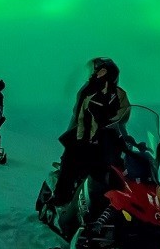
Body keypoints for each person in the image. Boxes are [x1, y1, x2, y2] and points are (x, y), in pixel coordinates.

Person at [47, 57, 130, 205]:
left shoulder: (119, 94)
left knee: (123, 171)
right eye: (96, 71)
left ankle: (123, 206)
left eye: (99, 70)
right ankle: (60, 198)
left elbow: (124, 115)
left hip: (109, 140)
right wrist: (81, 138)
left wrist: (125, 138)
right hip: (86, 139)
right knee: (70, 163)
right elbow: (79, 114)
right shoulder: (88, 90)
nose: (94, 73)